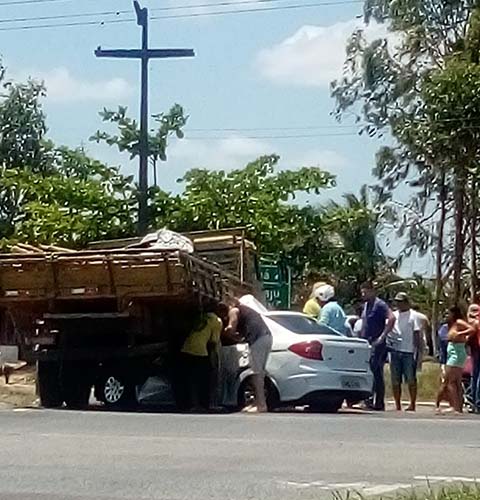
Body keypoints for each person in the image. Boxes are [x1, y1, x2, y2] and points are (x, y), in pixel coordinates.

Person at [225, 298, 273, 413]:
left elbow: (232, 327)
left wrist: (226, 331)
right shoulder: (247, 312)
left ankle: (261, 404)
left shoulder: (234, 310)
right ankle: (257, 402)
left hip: (258, 339)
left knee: (256, 373)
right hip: (265, 337)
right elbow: (242, 333)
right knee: (257, 371)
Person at [360, 281, 396, 411]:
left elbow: (391, 318)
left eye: (366, 292)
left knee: (376, 371)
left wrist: (382, 337)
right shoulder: (365, 305)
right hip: (366, 342)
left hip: (377, 343)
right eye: (362, 292)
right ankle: (368, 399)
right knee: (368, 370)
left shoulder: (379, 304)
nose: (364, 295)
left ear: (372, 291)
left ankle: (379, 402)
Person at [178, 311, 223, 412]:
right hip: (200, 351)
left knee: (191, 379)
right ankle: (202, 405)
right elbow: (213, 342)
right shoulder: (217, 321)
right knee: (203, 379)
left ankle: (191, 404)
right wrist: (212, 360)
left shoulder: (202, 316)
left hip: (186, 349)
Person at [435, 306, 474, 414]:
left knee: (451, 381)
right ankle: (458, 406)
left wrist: (460, 335)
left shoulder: (459, 322)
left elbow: (472, 329)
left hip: (456, 354)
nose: (447, 315)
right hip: (453, 352)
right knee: (455, 381)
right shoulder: (450, 325)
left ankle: (455, 407)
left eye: (449, 313)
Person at [388, 293, 421, 412]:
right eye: (397, 301)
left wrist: (418, 352)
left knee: (411, 379)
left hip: (408, 351)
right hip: (395, 351)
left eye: (401, 302)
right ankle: (398, 404)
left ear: (406, 302)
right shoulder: (393, 315)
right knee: (395, 380)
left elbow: (417, 334)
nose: (398, 304)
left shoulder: (413, 316)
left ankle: (412, 403)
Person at [466, 304, 480, 413]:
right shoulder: (476, 322)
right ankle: (477, 401)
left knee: (474, 376)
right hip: (476, 350)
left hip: (475, 350)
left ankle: (473, 401)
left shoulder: (469, 322)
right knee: (476, 377)